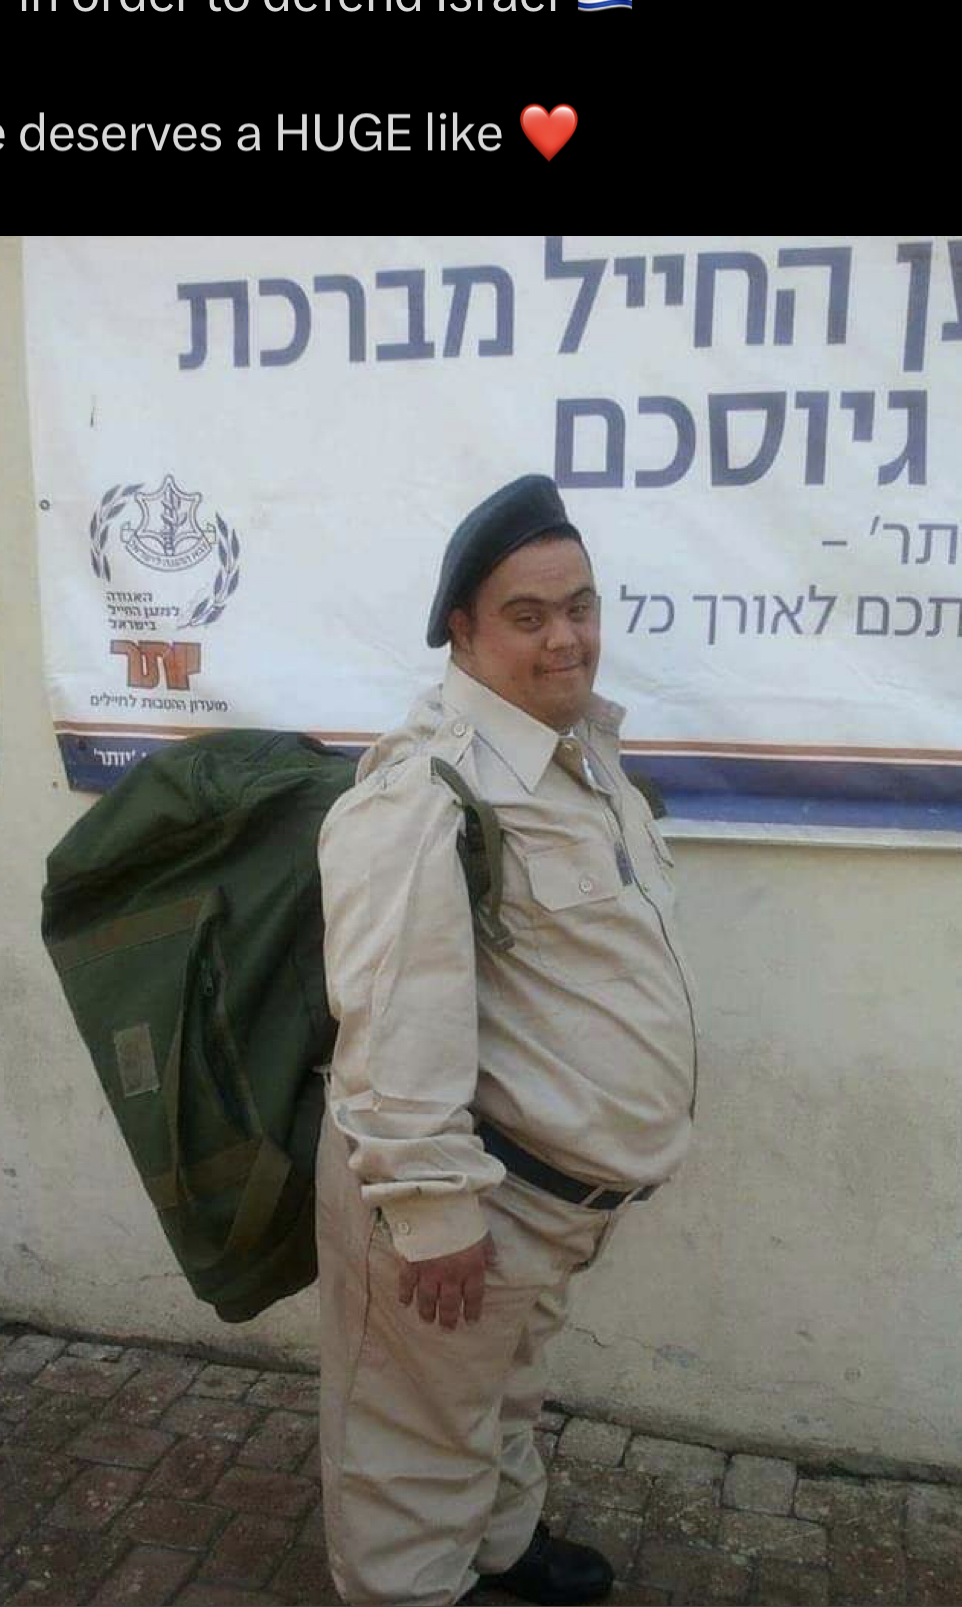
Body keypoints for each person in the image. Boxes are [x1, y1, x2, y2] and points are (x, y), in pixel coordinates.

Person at [316, 475, 699, 1607]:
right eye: (528, 616)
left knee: (503, 1395)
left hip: (548, 1207)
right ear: (463, 632)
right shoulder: (425, 792)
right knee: (411, 1441)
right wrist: (432, 1213)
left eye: (578, 606)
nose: (565, 637)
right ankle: (411, 1588)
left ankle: (500, 1546)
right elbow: (390, 1022)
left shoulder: (576, 754)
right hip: (464, 1201)